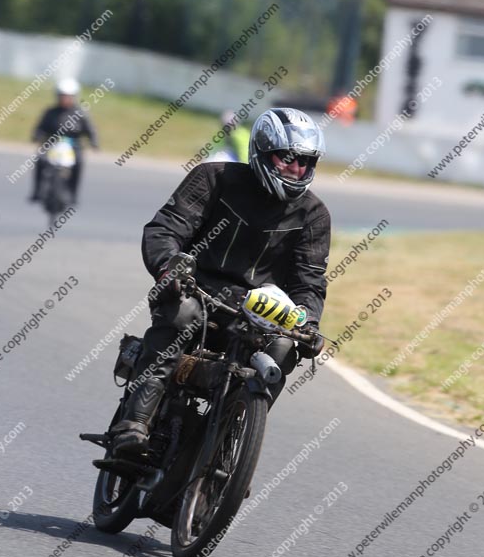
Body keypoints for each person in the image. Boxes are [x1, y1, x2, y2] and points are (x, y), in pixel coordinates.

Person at [112, 107, 331, 457]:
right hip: (193, 290)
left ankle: (230, 447)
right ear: (261, 152)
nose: (296, 168)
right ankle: (134, 423)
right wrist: (170, 268)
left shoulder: (314, 215)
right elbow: (166, 228)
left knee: (284, 348)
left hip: (257, 315)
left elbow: (310, 279)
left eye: (305, 161)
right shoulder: (213, 178)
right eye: (287, 159)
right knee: (181, 315)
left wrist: (308, 321)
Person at [28, 78, 98, 204]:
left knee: (79, 162)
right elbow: (40, 127)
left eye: (68, 96)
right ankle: (37, 191)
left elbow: (90, 130)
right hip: (52, 142)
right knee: (40, 160)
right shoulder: (50, 112)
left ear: (74, 97)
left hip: (73, 144)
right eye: (62, 96)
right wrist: (37, 136)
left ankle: (73, 193)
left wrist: (94, 142)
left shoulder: (81, 113)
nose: (65, 99)